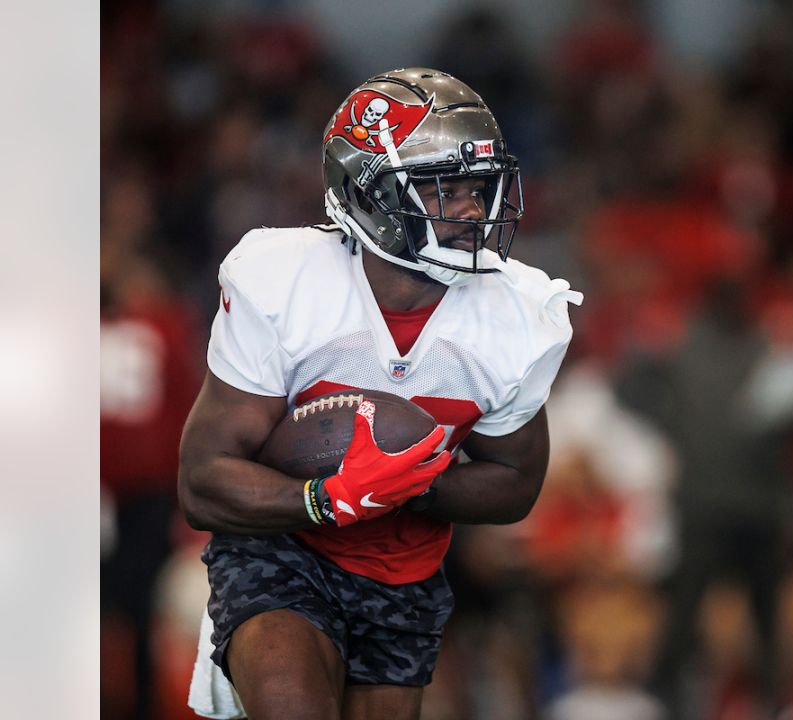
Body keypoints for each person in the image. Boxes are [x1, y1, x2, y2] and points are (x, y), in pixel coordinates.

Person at [178, 68, 582, 720]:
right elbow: (201, 483)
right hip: (284, 552)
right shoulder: (286, 285)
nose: (475, 209)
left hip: (404, 575)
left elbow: (515, 482)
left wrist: (404, 483)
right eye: (445, 190)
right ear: (368, 193)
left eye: (479, 188)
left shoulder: (515, 317)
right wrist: (325, 497)